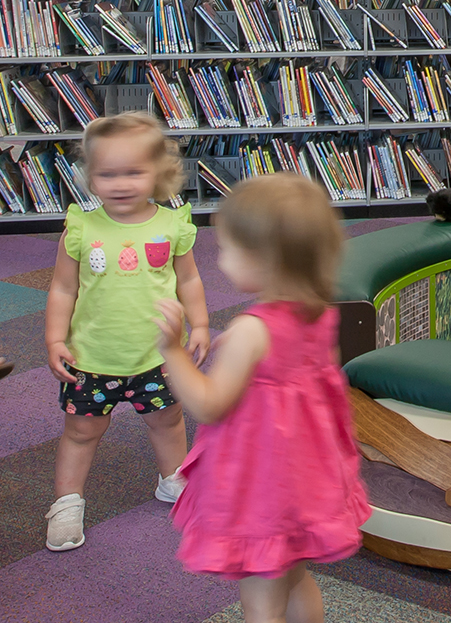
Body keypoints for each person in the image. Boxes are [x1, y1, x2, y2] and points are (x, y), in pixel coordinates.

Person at [156, 173, 369, 623]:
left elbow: (209, 404)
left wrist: (172, 352)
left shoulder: (252, 330)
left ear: (265, 260)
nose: (220, 260)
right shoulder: (320, 315)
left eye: (228, 250)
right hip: (306, 482)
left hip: (262, 492)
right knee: (295, 578)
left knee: (260, 604)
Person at [44, 112, 209, 551]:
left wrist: (201, 323)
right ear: (90, 177)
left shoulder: (173, 225)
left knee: (168, 421)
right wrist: (55, 338)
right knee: (81, 432)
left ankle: (172, 480)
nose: (120, 183)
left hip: (156, 356)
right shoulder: (81, 227)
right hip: (91, 359)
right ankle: (67, 502)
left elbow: (189, 280)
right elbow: (62, 288)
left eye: (133, 172)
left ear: (159, 172)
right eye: (106, 174)